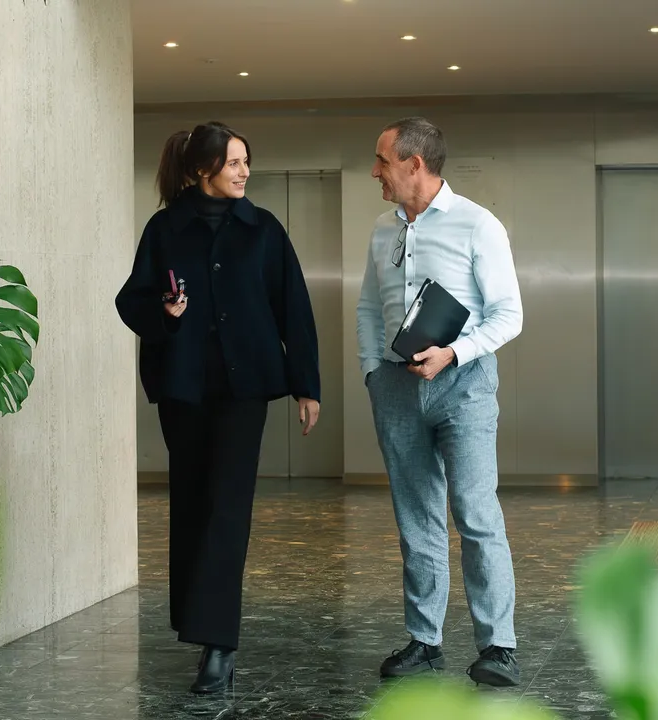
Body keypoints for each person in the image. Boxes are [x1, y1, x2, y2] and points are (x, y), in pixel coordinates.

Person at [115, 121, 321, 694]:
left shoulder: (263, 230)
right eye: (233, 162)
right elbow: (129, 300)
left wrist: (308, 386)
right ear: (201, 169)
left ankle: (219, 646)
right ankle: (196, 622)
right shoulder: (165, 228)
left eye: (246, 162)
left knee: (228, 506)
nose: (243, 171)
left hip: (243, 389)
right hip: (182, 389)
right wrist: (164, 310)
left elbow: (294, 308)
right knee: (192, 503)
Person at [355, 117, 523, 687]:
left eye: (382, 160)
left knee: (476, 513)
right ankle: (424, 640)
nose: (374, 171)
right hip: (397, 389)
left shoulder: (479, 225)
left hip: (465, 385)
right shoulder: (383, 229)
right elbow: (369, 309)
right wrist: (374, 373)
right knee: (416, 518)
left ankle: (497, 646)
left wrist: (453, 353)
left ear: (414, 164)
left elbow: (509, 315)